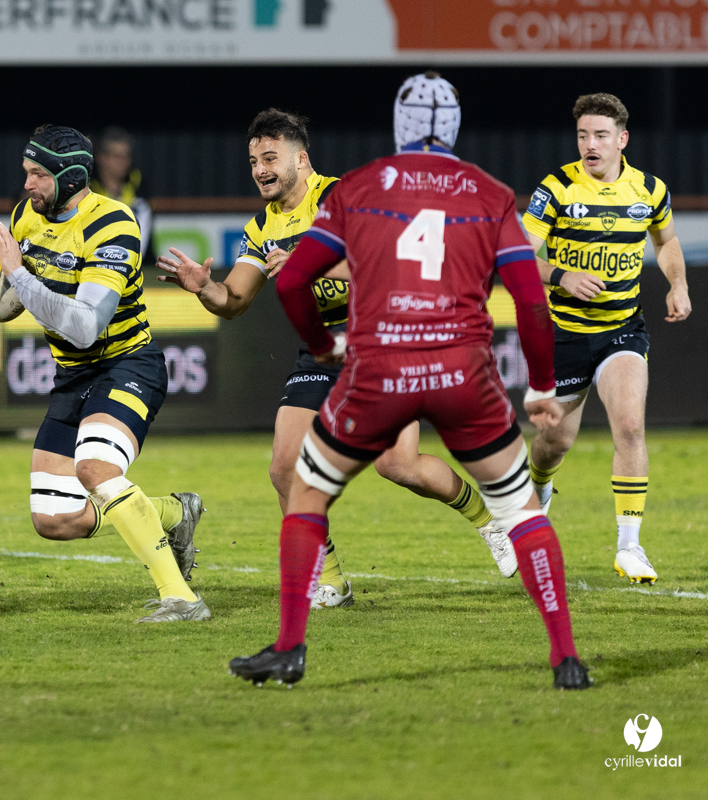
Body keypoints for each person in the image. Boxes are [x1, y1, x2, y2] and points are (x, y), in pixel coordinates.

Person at [229, 73, 591, 690]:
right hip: (462, 369)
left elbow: (291, 283)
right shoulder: (490, 193)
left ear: (400, 127)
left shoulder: (362, 187)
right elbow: (531, 300)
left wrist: (323, 345)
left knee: (305, 490)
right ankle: (566, 659)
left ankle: (290, 648)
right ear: (453, 129)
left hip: (378, 368)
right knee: (522, 509)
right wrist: (540, 385)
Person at [157, 109, 519, 606]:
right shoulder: (262, 227)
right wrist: (204, 289)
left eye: (270, 158)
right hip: (324, 349)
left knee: (399, 465)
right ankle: (331, 579)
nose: (260, 169)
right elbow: (234, 301)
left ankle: (490, 519)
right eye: (253, 161)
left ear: (301, 159)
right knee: (285, 468)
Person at [0, 124, 208, 623]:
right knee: (54, 521)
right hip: (73, 378)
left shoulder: (114, 224)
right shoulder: (26, 217)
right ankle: (175, 514)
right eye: (26, 172)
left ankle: (181, 599)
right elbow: (13, 304)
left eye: (37, 174)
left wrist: (20, 275)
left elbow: (85, 326)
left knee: (95, 469)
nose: (27, 184)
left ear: (70, 177)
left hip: (126, 364)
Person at [521, 93, 690, 585]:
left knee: (631, 427)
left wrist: (678, 284)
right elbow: (515, 255)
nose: (589, 145)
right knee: (553, 443)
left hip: (622, 329)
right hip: (565, 335)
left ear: (622, 139)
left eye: (599, 135)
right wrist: (560, 276)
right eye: (582, 135)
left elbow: (668, 240)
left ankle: (630, 547)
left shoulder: (650, 190)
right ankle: (540, 494)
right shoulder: (556, 188)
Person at [89, 127, 155, 263]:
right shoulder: (87, 189)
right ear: (102, 158)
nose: (123, 162)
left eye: (126, 156)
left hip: (138, 261)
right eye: (117, 156)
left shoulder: (138, 185)